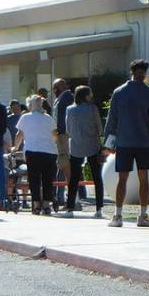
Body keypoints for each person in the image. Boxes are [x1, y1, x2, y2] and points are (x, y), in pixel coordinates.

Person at [103, 59, 149, 228]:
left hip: (124, 142)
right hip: (144, 142)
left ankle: (118, 215)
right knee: (144, 179)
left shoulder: (119, 92)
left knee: (122, 179)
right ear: (144, 74)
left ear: (131, 72)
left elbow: (111, 120)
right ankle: (143, 216)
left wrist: (108, 143)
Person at [61, 85, 106, 219]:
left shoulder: (69, 109)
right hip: (93, 144)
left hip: (75, 145)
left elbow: (68, 128)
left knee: (74, 178)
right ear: (86, 95)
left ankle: (70, 208)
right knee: (97, 177)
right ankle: (99, 208)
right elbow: (99, 128)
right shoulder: (92, 109)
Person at [16, 95, 59, 215]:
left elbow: (19, 134)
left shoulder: (25, 117)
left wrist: (15, 147)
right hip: (49, 151)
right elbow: (55, 135)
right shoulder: (49, 118)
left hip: (33, 151)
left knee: (34, 178)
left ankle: (36, 204)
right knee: (48, 179)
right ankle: (46, 204)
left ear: (31, 105)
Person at [52, 78, 75, 210]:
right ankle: (70, 199)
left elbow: (62, 120)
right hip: (62, 136)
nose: (54, 90)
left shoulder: (65, 98)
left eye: (55, 87)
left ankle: (71, 201)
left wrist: (56, 135)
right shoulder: (64, 97)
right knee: (64, 167)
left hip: (63, 137)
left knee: (66, 167)